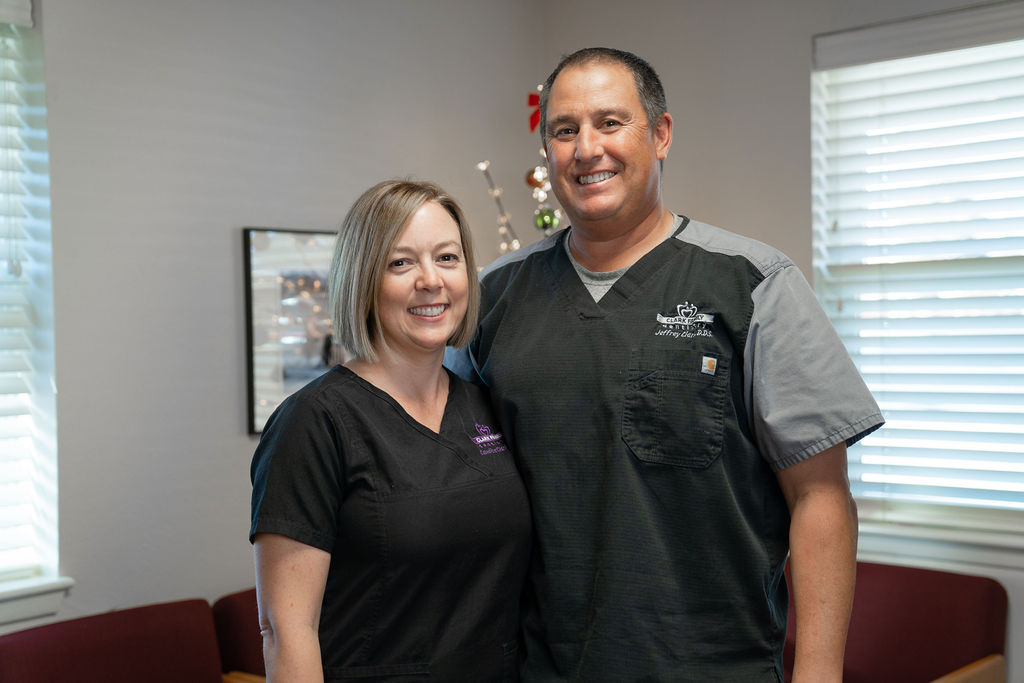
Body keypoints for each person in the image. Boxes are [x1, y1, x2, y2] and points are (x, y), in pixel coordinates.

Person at [446, 48, 884, 681]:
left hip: (713, 666)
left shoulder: (755, 284)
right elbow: (450, 470)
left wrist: (819, 674)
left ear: (661, 134)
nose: (586, 148)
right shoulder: (495, 298)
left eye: (610, 122)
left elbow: (820, 496)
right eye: (564, 131)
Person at [251, 180, 531, 682]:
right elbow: (286, 628)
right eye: (401, 263)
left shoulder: (483, 404)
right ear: (364, 279)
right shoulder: (314, 423)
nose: (431, 280)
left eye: (447, 258)